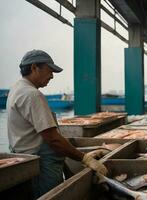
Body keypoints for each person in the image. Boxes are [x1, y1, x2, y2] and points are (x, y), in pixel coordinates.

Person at [6, 50, 108, 198]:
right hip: (41, 165)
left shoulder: (16, 88)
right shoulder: (32, 95)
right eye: (50, 70)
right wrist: (84, 158)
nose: (52, 76)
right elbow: (53, 139)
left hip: (27, 159)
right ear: (34, 67)